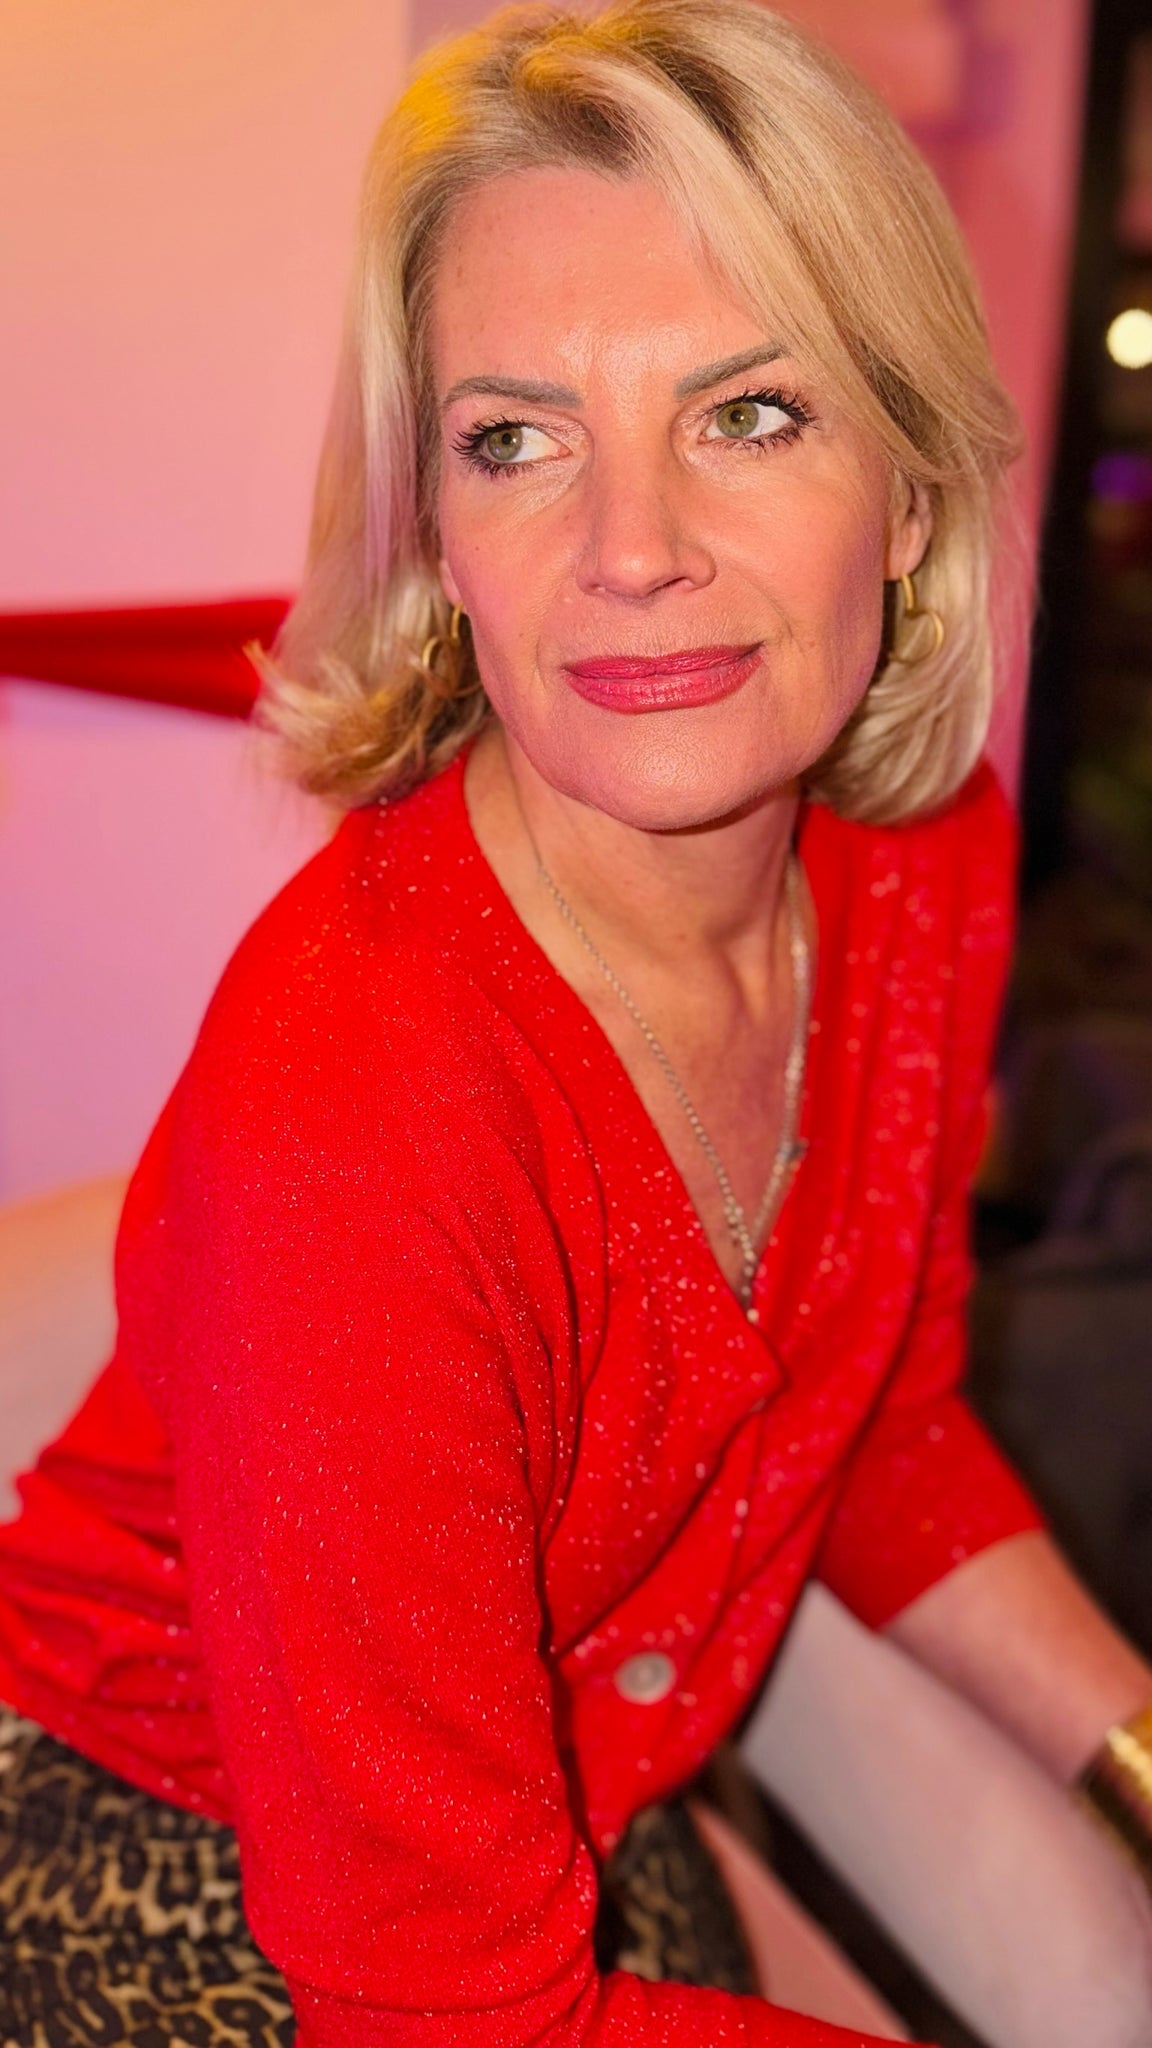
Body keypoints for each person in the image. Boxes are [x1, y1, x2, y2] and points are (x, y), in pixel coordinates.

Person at [2, 3, 1151, 2043]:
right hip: (185, 1870)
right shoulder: (362, 1115)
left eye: (750, 413)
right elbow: (448, 2012)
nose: (632, 554)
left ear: (908, 490)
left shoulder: (914, 853)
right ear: (442, 539)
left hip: (557, 1798)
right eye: (517, 439)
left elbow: (876, 1424)